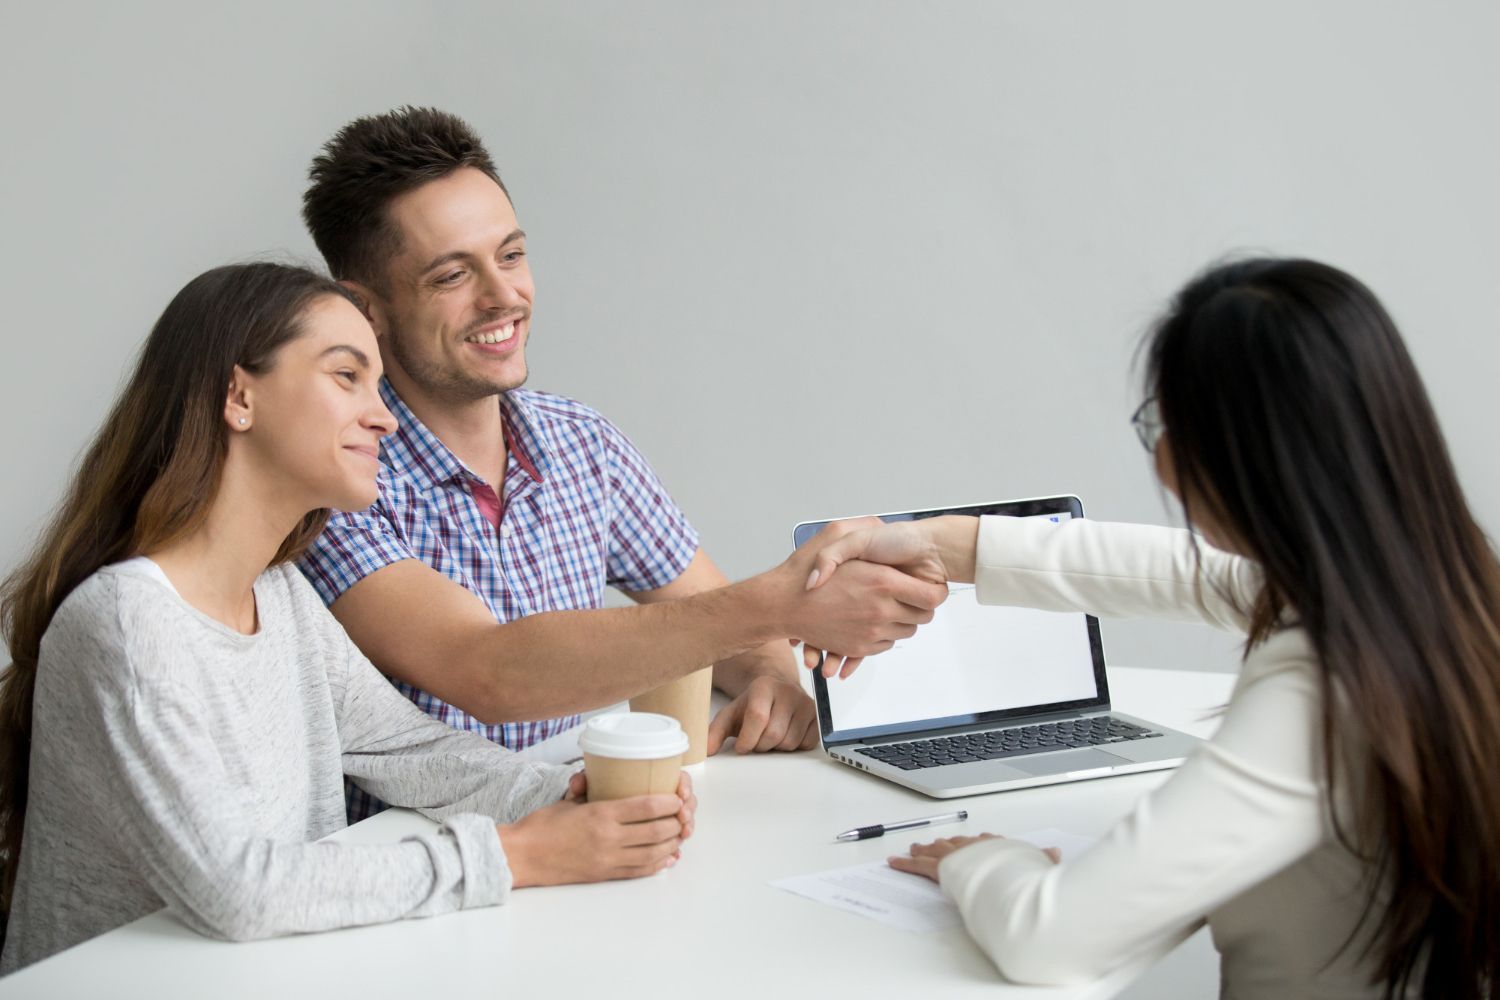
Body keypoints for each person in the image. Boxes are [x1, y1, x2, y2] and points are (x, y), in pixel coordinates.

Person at [801, 259, 1499, 998]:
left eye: (1162, 426)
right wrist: (929, 542)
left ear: (1225, 460)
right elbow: (1171, 568)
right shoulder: (1446, 591)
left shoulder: (1321, 694)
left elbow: (1051, 937)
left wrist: (978, 861)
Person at [0, 263, 698, 973]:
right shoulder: (126, 621)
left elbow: (409, 751)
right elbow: (236, 888)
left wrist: (566, 795)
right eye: (346, 376)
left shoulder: (280, 596)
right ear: (239, 396)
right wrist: (515, 855)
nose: (384, 415)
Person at [296, 107, 947, 819]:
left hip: (579, 828)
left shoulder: (583, 444)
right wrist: (784, 601)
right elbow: (487, 670)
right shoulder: (334, 479)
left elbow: (717, 622)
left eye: (511, 255)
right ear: (366, 308)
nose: (503, 295)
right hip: (423, 870)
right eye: (453, 275)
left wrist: (770, 676)